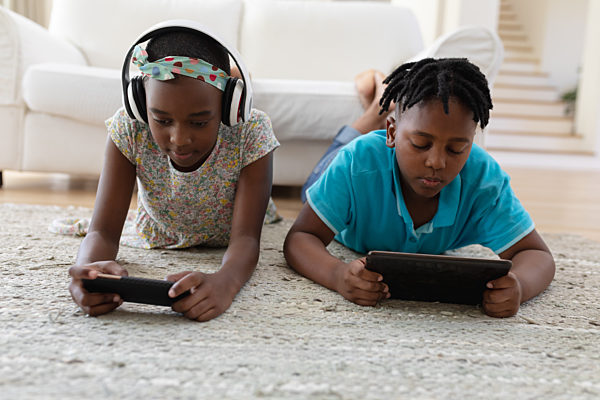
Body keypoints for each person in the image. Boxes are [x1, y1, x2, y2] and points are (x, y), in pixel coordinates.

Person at [285, 58, 555, 318]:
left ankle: (386, 115)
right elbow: (301, 237)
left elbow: (536, 254)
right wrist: (338, 275)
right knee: (317, 178)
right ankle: (374, 112)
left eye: (456, 149)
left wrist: (519, 285)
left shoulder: (483, 180)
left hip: (387, 146)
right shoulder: (357, 163)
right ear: (392, 133)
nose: (436, 162)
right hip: (344, 164)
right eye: (420, 144)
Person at [68, 22, 279, 322]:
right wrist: (88, 270)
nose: (179, 139)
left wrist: (226, 282)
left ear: (228, 107)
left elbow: (246, 239)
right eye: (162, 120)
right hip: (157, 232)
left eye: (199, 122)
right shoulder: (130, 129)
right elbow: (101, 231)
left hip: (230, 233)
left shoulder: (251, 131)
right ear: (140, 105)